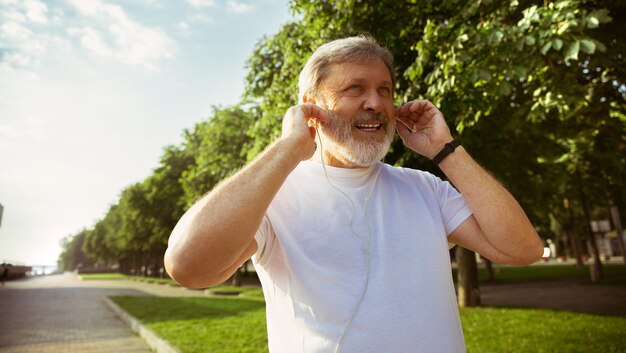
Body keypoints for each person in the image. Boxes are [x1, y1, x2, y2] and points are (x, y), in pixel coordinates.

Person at [164, 36, 543, 353]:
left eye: (385, 91)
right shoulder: (272, 197)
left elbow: (522, 250)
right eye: (354, 89)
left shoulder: (425, 189)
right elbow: (188, 266)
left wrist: (445, 150)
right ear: (311, 104)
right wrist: (288, 148)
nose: (376, 103)